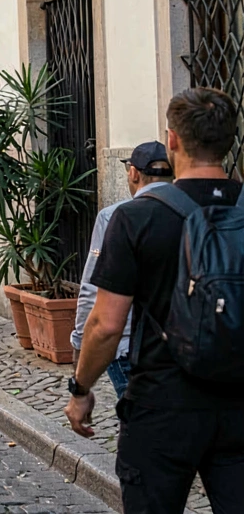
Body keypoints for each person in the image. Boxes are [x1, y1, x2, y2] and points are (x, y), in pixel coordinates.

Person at [65, 88, 244, 512]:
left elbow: (106, 325)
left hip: (162, 404)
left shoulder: (136, 217)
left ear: (174, 141)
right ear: (231, 140)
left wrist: (81, 387)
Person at [69, 141, 172, 399]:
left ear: (134, 173)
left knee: (141, 428)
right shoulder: (191, 211)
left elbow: (92, 290)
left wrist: (80, 348)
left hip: (127, 347)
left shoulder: (115, 216)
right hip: (179, 348)